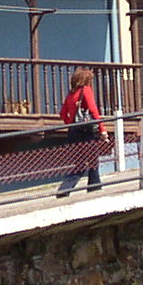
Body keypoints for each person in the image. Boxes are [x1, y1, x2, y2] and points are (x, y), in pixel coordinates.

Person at [55, 67, 109, 195]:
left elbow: (63, 114)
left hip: (74, 132)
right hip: (86, 132)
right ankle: (87, 188)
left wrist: (72, 125)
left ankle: (90, 187)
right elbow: (93, 110)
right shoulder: (86, 90)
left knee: (82, 162)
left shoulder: (71, 94)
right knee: (91, 161)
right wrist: (102, 129)